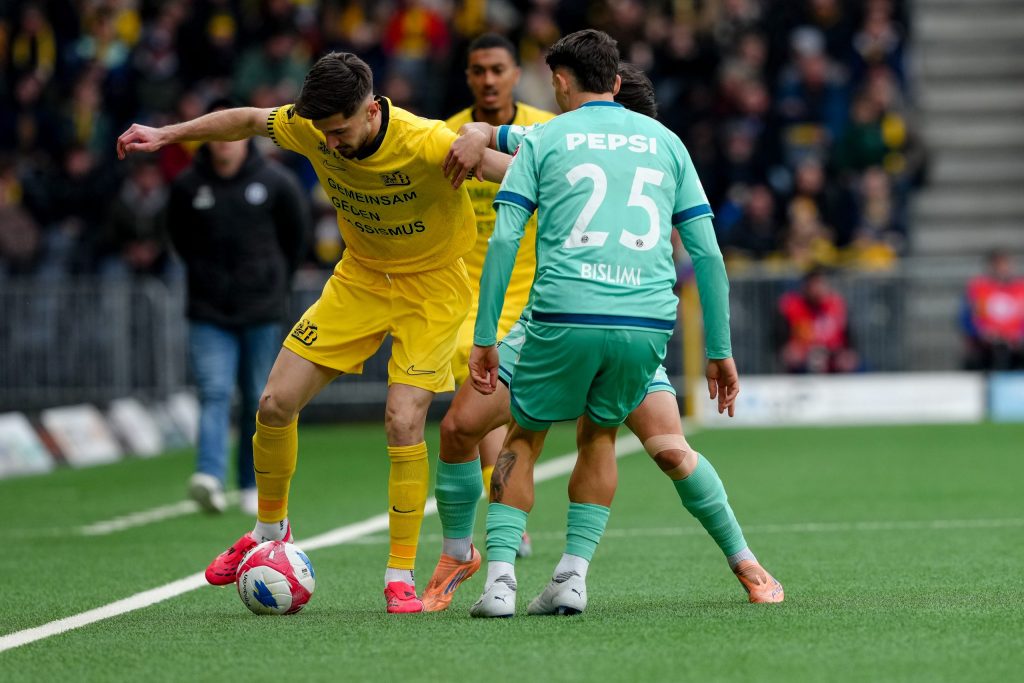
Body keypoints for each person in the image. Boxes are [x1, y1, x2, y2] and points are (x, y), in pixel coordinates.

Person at [117, 51, 488, 614]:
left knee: (402, 420)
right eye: (323, 134)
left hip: (433, 288)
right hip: (361, 279)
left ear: (371, 110)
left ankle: (400, 573)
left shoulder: (427, 141)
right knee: (273, 404)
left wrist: (483, 137)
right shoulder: (311, 126)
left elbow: (516, 168)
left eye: (340, 131)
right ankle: (269, 532)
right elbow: (246, 120)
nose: (330, 144)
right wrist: (166, 134)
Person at [436, 31, 776, 618]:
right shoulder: (666, 144)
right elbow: (708, 254)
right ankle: (589, 575)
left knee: (519, 436)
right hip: (643, 322)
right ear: (616, 86)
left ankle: (496, 581)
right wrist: (720, 350)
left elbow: (505, 223)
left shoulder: (551, 136)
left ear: (560, 83)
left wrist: (485, 337)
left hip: (563, 315)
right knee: (637, 442)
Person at [166, 98, 310, 516]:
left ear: (245, 135)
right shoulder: (187, 186)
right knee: (213, 391)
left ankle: (251, 483)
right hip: (207, 310)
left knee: (257, 399)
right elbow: (178, 238)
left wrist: (272, 281)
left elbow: (295, 238)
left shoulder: (277, 182)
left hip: (261, 310)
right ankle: (209, 475)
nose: (224, 141)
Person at [444, 32, 555, 559]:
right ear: (468, 77)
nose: (488, 80)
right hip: (469, 290)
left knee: (520, 406)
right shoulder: (447, 134)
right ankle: (503, 505)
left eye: (497, 69)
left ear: (515, 74)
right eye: (478, 70)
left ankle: (506, 505)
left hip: (534, 288)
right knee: (480, 384)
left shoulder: (546, 128)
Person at [777, 266, 859, 373]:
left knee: (852, 364)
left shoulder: (837, 305)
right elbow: (780, 337)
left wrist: (848, 353)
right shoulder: (792, 306)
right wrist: (787, 350)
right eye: (814, 285)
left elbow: (849, 336)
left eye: (820, 284)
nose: (817, 289)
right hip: (804, 357)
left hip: (833, 355)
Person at [962, 250, 1024, 370]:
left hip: (1016, 346)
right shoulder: (979, 289)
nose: (1002, 269)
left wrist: (1019, 335)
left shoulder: (1020, 288)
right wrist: (982, 333)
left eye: (1005, 265)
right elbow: (968, 317)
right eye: (998, 266)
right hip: (986, 346)